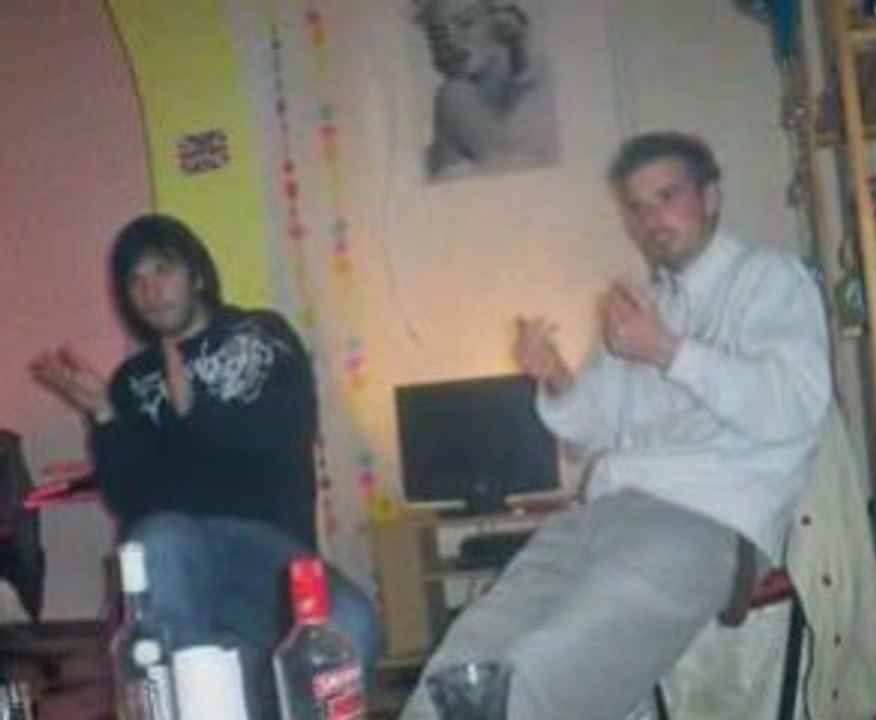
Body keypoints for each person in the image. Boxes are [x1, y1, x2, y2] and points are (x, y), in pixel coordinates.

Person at [399, 132, 832, 719]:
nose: (651, 219)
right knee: (465, 656)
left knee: (541, 672)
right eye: (637, 206)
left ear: (711, 197)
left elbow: (793, 408)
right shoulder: (643, 307)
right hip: (601, 513)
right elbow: (589, 433)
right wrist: (555, 378)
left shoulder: (768, 279)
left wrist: (670, 352)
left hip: (705, 521)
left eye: (667, 197)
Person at [30, 214, 382, 720]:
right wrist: (105, 415)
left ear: (195, 274)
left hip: (268, 556)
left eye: (162, 270)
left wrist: (198, 412)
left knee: (353, 627)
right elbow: (131, 500)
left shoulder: (261, 335)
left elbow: (285, 434)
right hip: (178, 557)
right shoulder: (132, 381)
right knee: (161, 539)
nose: (150, 290)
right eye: (135, 280)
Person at [414, 0, 558, 180]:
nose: (450, 41)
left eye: (465, 23)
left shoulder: (538, 94)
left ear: (503, 22)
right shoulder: (453, 97)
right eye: (437, 35)